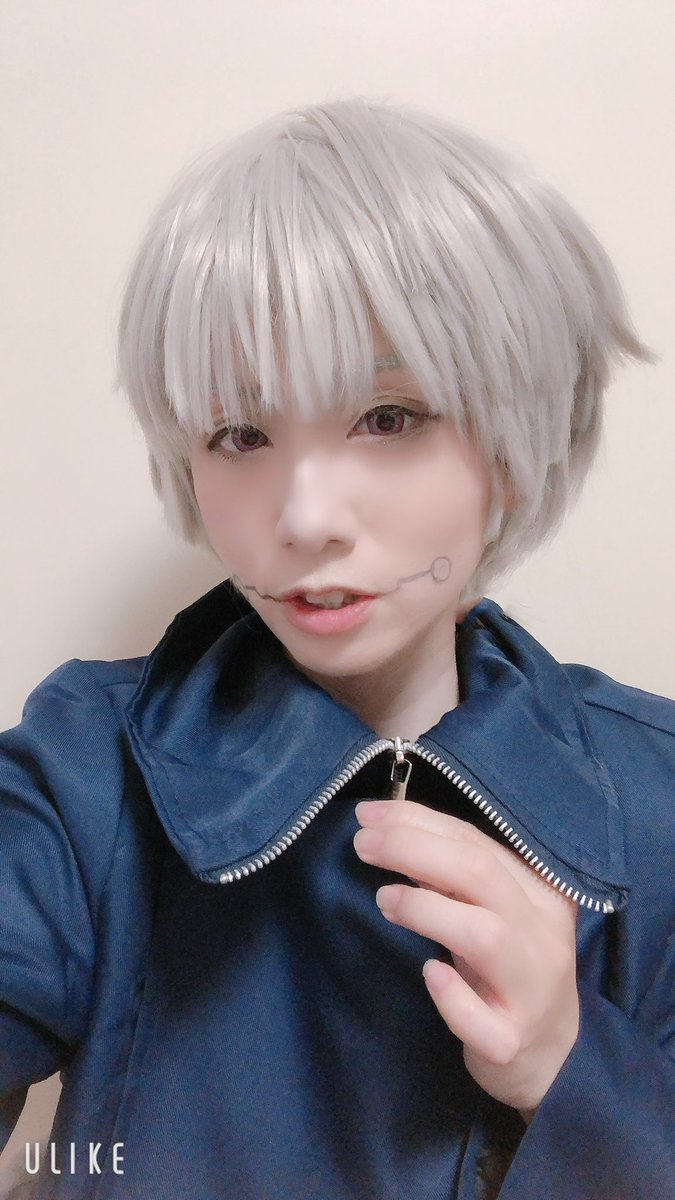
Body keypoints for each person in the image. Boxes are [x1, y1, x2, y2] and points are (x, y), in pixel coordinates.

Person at [1, 98, 673, 1200]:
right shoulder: (86, 779)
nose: (306, 516)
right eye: (240, 433)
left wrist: (570, 1069)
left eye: (389, 417)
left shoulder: (654, 800)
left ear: (513, 440)